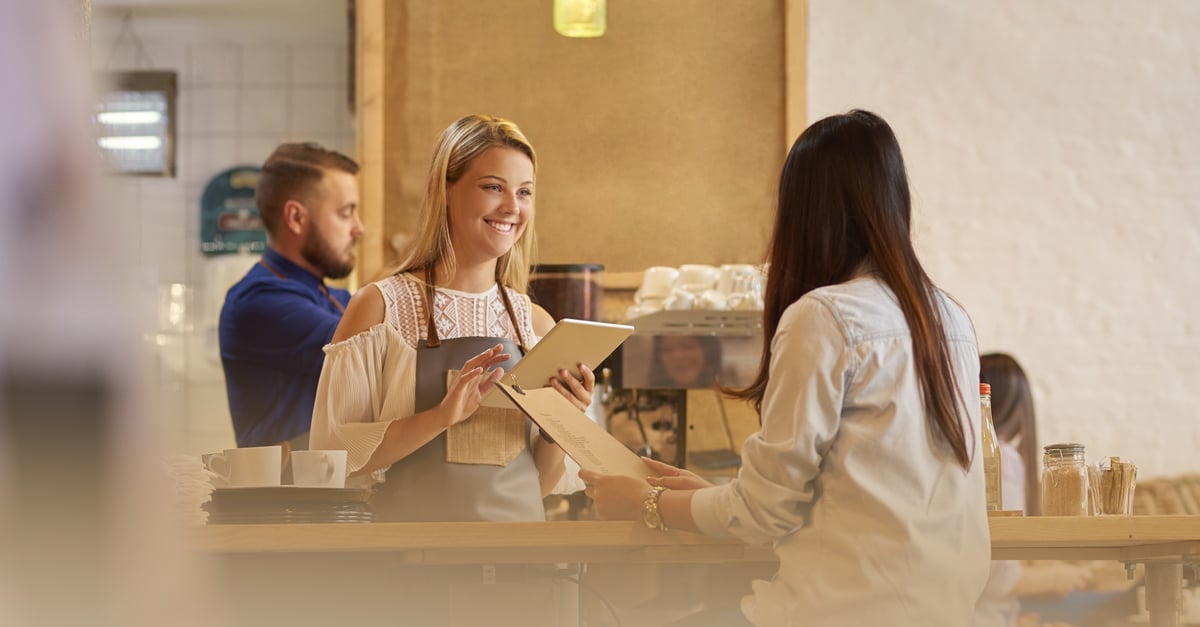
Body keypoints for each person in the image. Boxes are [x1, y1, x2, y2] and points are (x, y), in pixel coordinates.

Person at [581, 109, 991, 626]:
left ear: (804, 212)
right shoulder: (950, 318)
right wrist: (708, 497)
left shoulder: (823, 317)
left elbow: (763, 514)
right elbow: (838, 495)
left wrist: (646, 503)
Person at [310, 114, 593, 522]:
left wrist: (559, 425)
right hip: (408, 566)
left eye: (525, 192)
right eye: (493, 187)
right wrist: (440, 418)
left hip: (518, 565)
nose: (512, 207)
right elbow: (330, 456)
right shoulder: (379, 308)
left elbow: (537, 486)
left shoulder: (536, 326)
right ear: (445, 190)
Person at [219, 142, 363, 451]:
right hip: (284, 498)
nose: (358, 229)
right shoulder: (259, 302)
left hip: (333, 492)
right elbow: (370, 355)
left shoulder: (334, 296)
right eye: (345, 213)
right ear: (296, 218)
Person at [974, 353, 1114, 627]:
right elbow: (994, 579)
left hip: (994, 613)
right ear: (1019, 407)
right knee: (1119, 602)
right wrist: (1057, 578)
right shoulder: (1003, 460)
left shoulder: (957, 456)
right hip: (988, 617)